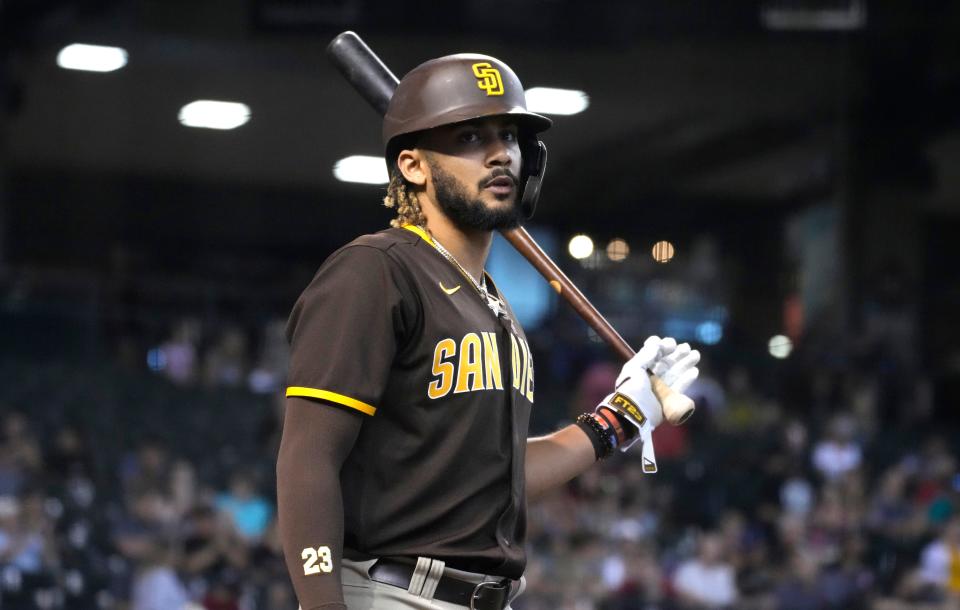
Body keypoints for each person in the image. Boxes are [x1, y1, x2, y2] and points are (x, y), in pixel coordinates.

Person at [276, 52, 700, 610]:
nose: (502, 153)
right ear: (413, 166)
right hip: (391, 593)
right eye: (471, 136)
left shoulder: (492, 304)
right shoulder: (377, 271)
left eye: (510, 136)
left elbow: (495, 477)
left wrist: (618, 417)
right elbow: (308, 457)